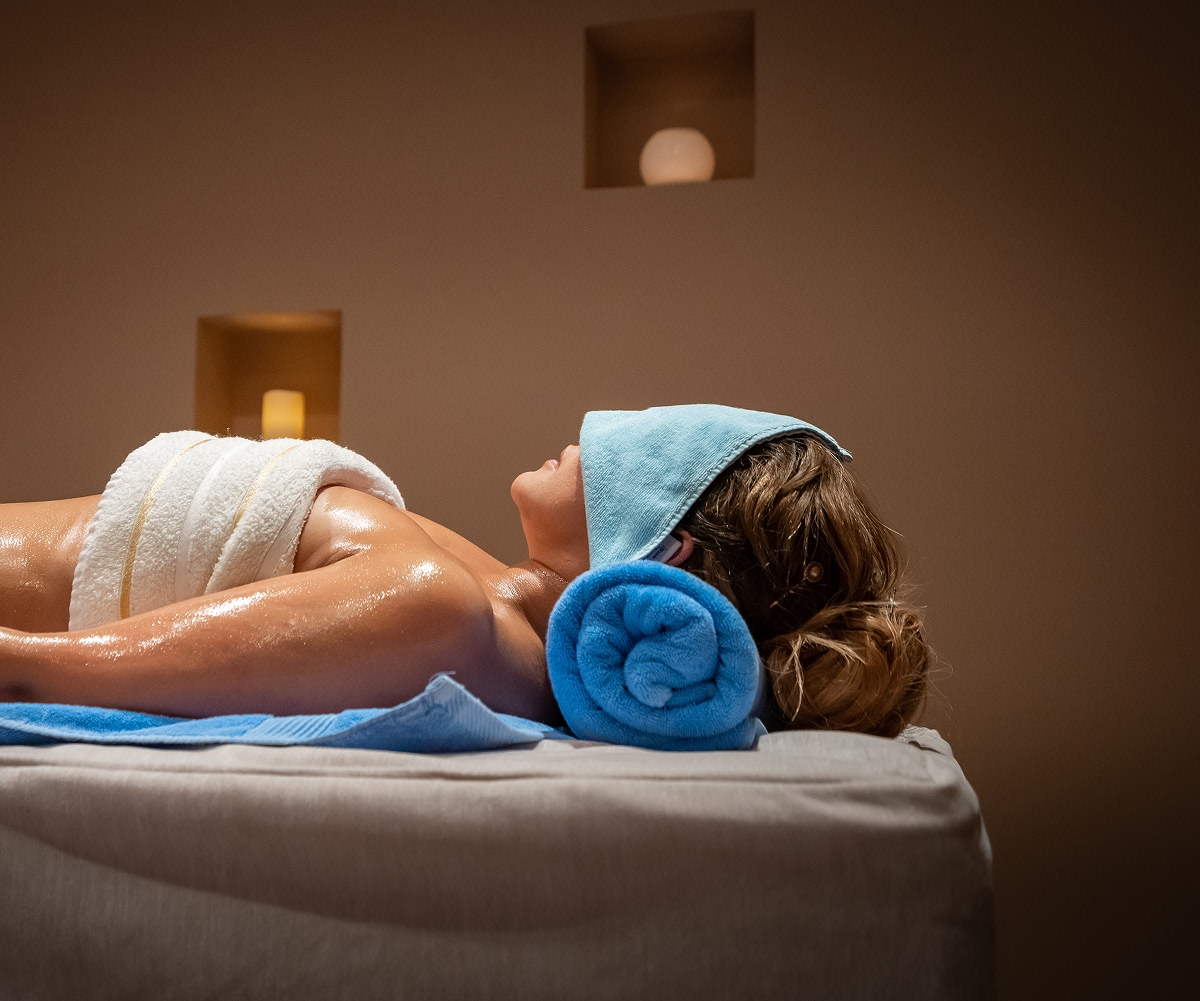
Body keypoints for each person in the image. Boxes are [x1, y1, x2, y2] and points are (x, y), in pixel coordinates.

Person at [0, 407, 930, 736]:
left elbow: (39, 670)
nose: (583, 436)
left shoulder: (443, 612)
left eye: (629, 451)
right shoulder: (492, 592)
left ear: (669, 546)